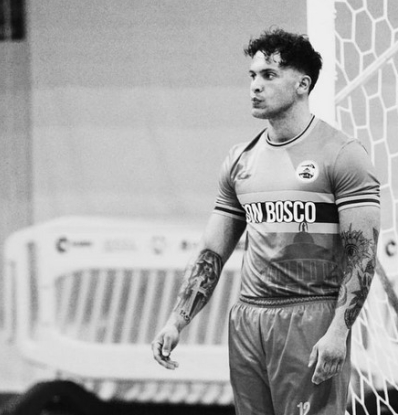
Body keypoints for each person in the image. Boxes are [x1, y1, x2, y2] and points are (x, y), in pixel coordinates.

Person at [152, 27, 380, 415]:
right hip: (248, 319)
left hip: (311, 316)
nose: (255, 86)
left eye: (269, 75)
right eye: (252, 75)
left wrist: (339, 330)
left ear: (302, 84)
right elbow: (212, 251)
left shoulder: (343, 155)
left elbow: (362, 254)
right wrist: (177, 319)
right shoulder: (240, 160)